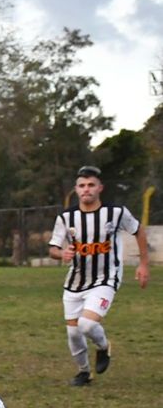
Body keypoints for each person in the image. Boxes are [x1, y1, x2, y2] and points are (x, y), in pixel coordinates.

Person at [47, 165, 150, 386]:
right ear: (76, 189)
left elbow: (139, 231)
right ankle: (84, 372)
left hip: (106, 278)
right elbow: (53, 248)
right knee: (74, 334)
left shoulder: (116, 213)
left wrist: (143, 264)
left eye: (91, 185)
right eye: (82, 186)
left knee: (86, 325)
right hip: (75, 281)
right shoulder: (66, 217)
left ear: (100, 188)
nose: (86, 189)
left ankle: (103, 346)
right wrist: (61, 253)